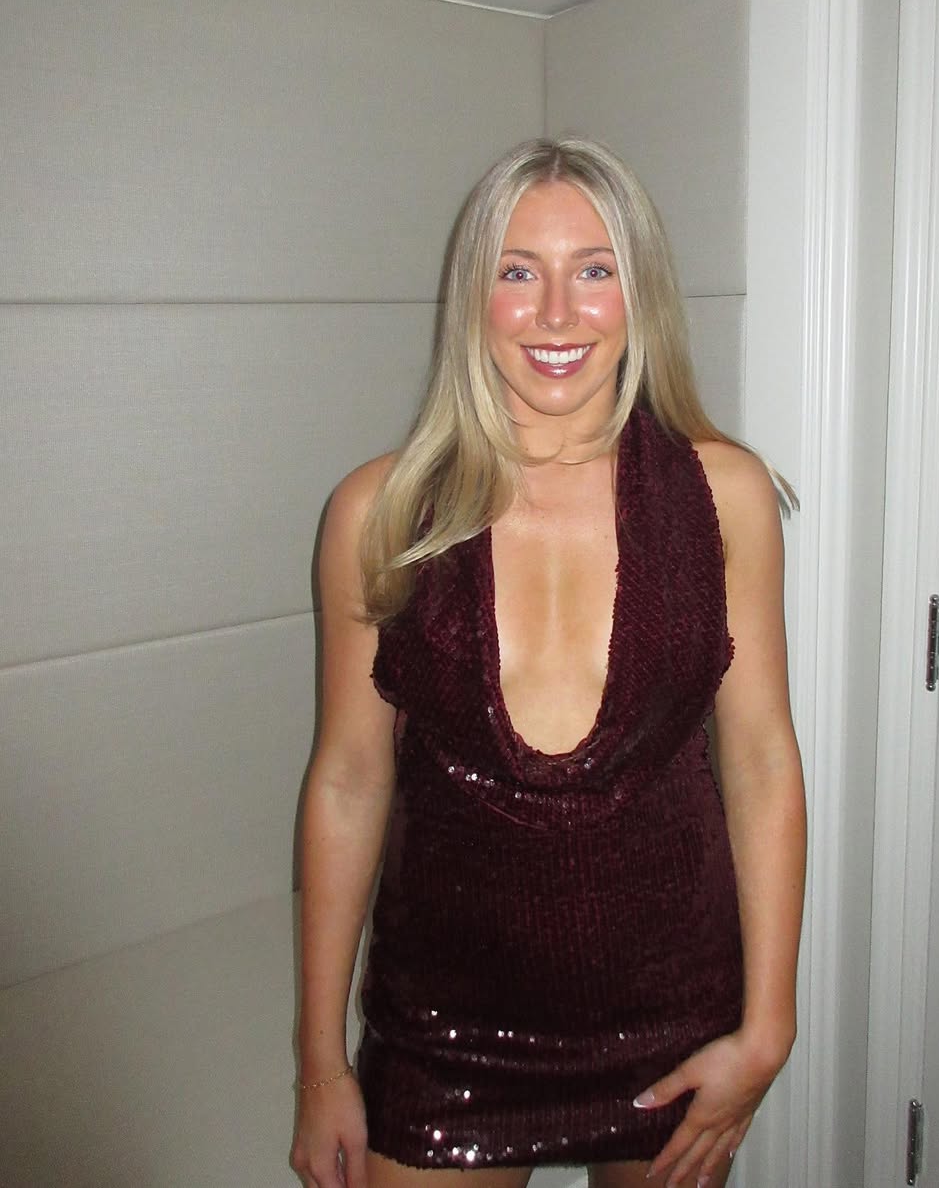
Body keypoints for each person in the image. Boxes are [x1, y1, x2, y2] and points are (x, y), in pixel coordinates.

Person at [290, 137, 806, 1188]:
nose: (559, 314)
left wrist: (770, 1027)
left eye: (595, 270)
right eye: (518, 272)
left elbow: (759, 759)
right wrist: (319, 1064)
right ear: (471, 300)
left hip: (673, 1024)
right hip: (443, 1036)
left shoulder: (727, 498)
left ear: (640, 292)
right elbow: (347, 779)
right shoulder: (379, 514)